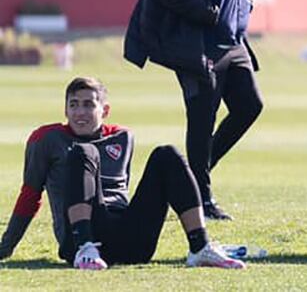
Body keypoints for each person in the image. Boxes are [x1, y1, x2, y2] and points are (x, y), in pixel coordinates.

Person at [124, 0, 262, 220]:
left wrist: (241, 5)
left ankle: (188, 180)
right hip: (196, 42)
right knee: (202, 118)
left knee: (250, 105)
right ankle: (201, 197)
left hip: (232, 39)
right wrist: (210, 13)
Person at [0, 77, 244, 270]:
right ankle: (86, 247)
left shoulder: (122, 136)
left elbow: (121, 190)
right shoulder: (47, 138)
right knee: (84, 152)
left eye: (88, 104)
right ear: (65, 110)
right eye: (73, 105)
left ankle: (200, 247)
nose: (80, 112)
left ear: (105, 110)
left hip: (130, 240)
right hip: (78, 241)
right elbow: (30, 195)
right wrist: (5, 247)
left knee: (167, 154)